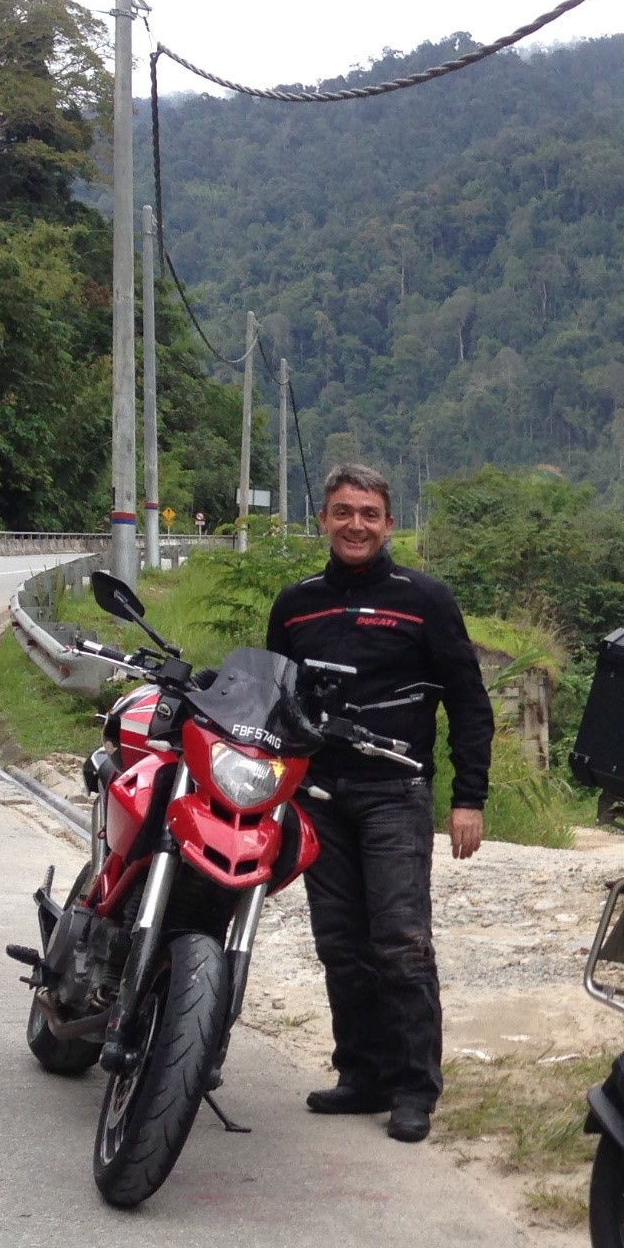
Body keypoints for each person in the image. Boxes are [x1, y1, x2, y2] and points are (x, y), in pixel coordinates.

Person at [265, 464, 494, 1143]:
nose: (356, 525)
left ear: (389, 523)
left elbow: (468, 702)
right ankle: (360, 1072)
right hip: (317, 796)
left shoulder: (423, 598)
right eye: (343, 512)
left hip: (395, 791)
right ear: (324, 519)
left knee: (400, 942)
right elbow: (276, 702)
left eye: (369, 513)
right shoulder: (296, 603)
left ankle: (414, 1087)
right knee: (340, 942)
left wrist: (469, 797)